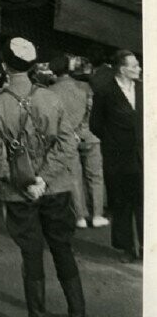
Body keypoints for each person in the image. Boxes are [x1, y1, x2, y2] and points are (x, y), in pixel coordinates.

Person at [0, 37, 84, 317]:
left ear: (4, 66)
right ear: (31, 66)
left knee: (31, 255)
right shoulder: (51, 98)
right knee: (63, 249)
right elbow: (67, 145)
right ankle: (78, 312)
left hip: (19, 193)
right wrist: (44, 179)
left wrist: (23, 182)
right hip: (56, 189)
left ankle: (37, 313)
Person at [89, 49, 143, 263]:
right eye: (135, 66)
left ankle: (147, 246)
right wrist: (113, 140)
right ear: (122, 69)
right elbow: (95, 124)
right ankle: (127, 248)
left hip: (142, 155)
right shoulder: (105, 92)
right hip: (117, 157)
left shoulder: (144, 89)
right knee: (121, 204)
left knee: (144, 203)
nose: (139, 69)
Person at [48, 54, 108, 229]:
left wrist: (70, 132)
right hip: (90, 136)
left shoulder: (50, 92)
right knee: (95, 176)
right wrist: (83, 128)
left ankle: (80, 216)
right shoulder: (84, 86)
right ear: (69, 68)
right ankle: (97, 215)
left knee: (74, 178)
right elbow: (91, 109)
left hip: (68, 139)